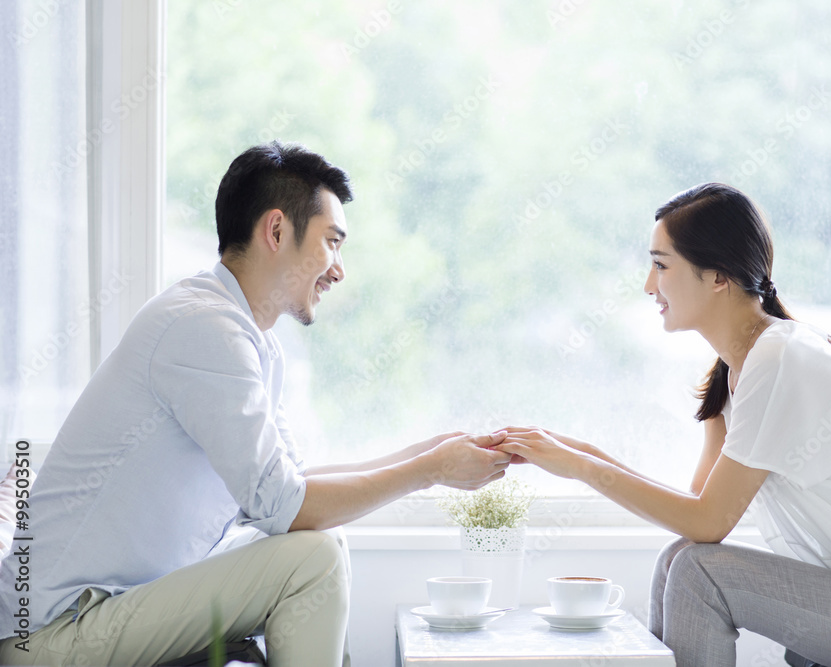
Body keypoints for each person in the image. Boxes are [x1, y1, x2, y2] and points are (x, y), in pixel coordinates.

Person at [0, 141, 512, 666]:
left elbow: (290, 487)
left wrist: (425, 453)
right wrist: (431, 471)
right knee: (313, 557)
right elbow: (286, 506)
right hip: (53, 631)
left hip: (106, 608)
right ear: (276, 231)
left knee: (316, 543)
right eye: (332, 243)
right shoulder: (204, 327)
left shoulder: (249, 339)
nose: (338, 270)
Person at [496, 183, 831, 667]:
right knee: (680, 558)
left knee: (698, 573)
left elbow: (708, 522)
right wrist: (574, 451)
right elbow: (697, 510)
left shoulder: (783, 359)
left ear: (717, 276)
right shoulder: (739, 372)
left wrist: (579, 467)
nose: (649, 285)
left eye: (660, 265)